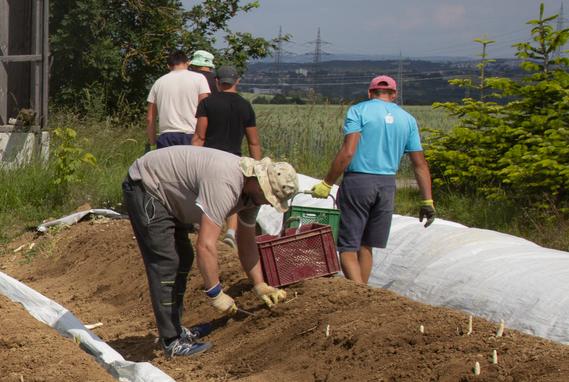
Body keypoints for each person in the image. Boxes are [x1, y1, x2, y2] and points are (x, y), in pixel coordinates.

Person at [121, 146, 299, 358]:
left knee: (183, 258)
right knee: (166, 263)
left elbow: (246, 242)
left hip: (169, 192)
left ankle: (175, 330)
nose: (268, 204)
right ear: (261, 186)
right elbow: (206, 245)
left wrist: (260, 285)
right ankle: (171, 341)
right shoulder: (226, 184)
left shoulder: (251, 195)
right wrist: (216, 293)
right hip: (148, 185)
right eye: (270, 198)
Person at [316, 75, 436, 285]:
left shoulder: (359, 111)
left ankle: (359, 294)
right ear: (394, 94)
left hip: (358, 183)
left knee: (347, 247)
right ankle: (364, 293)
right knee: (366, 245)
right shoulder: (408, 119)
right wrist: (427, 201)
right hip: (387, 186)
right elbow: (420, 164)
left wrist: (327, 182)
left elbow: (348, 151)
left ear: (370, 93)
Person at [192, 65, 263, 246]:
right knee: (234, 197)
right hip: (234, 160)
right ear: (237, 81)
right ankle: (230, 233)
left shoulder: (207, 103)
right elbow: (253, 142)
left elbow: (200, 136)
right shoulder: (245, 106)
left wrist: (192, 157)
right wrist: (259, 169)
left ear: (217, 81)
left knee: (208, 198)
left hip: (210, 158)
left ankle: (205, 231)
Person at [146, 50, 208, 149]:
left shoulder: (158, 83)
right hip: (191, 134)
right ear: (188, 62)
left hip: (166, 136)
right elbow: (205, 109)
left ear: (168, 65)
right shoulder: (199, 79)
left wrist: (152, 144)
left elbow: (150, 119)